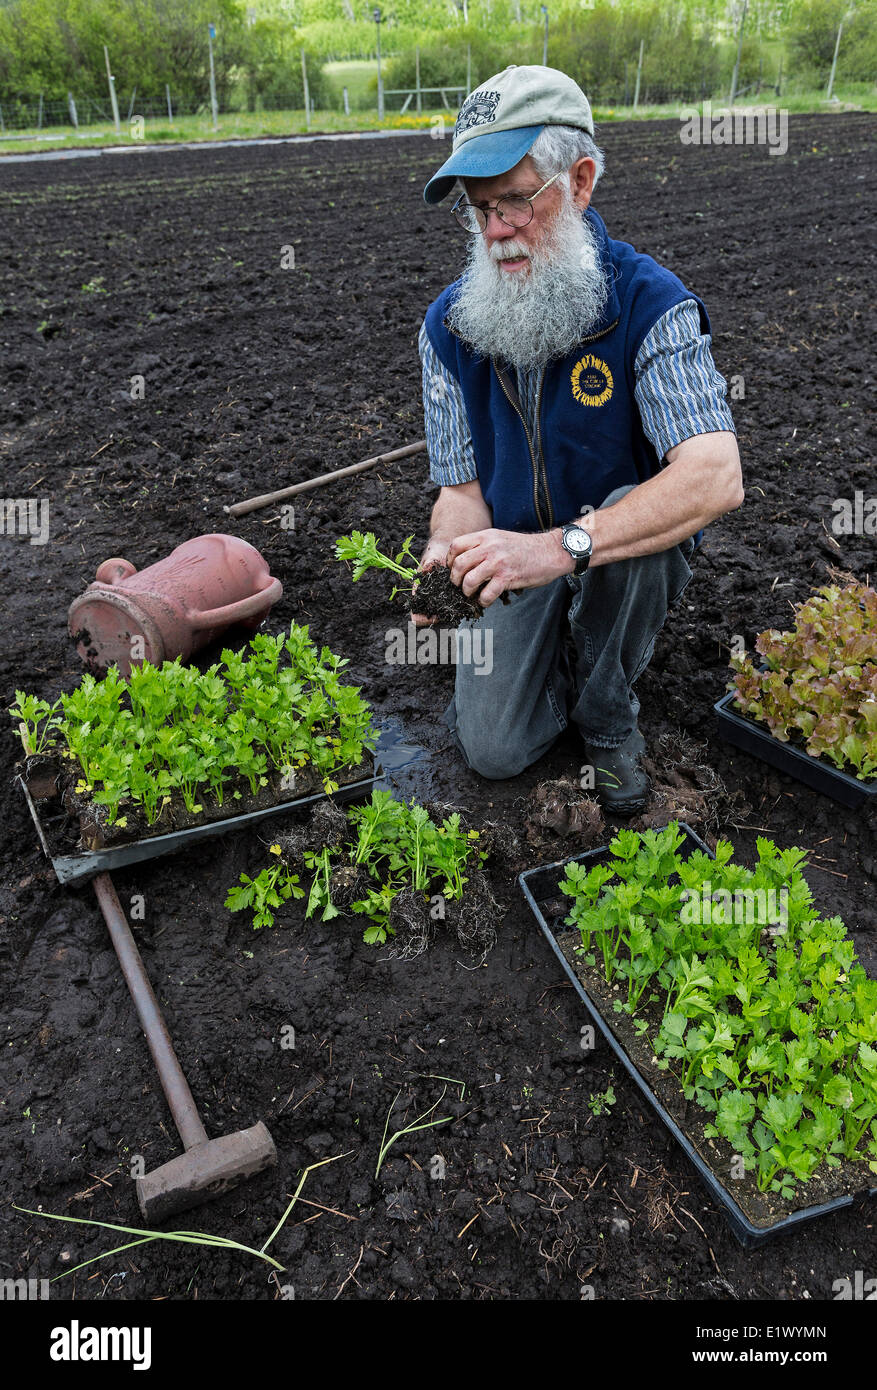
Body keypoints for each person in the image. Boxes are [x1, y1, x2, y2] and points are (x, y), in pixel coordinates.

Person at [416, 63, 743, 814]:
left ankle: (606, 712)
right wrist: (444, 558)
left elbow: (715, 475)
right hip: (519, 554)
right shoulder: (450, 326)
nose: (496, 231)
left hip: (618, 555)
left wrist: (557, 547)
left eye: (515, 202)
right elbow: (461, 492)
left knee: (645, 511)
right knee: (494, 751)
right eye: (478, 210)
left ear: (581, 181)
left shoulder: (648, 303)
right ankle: (561, 654)